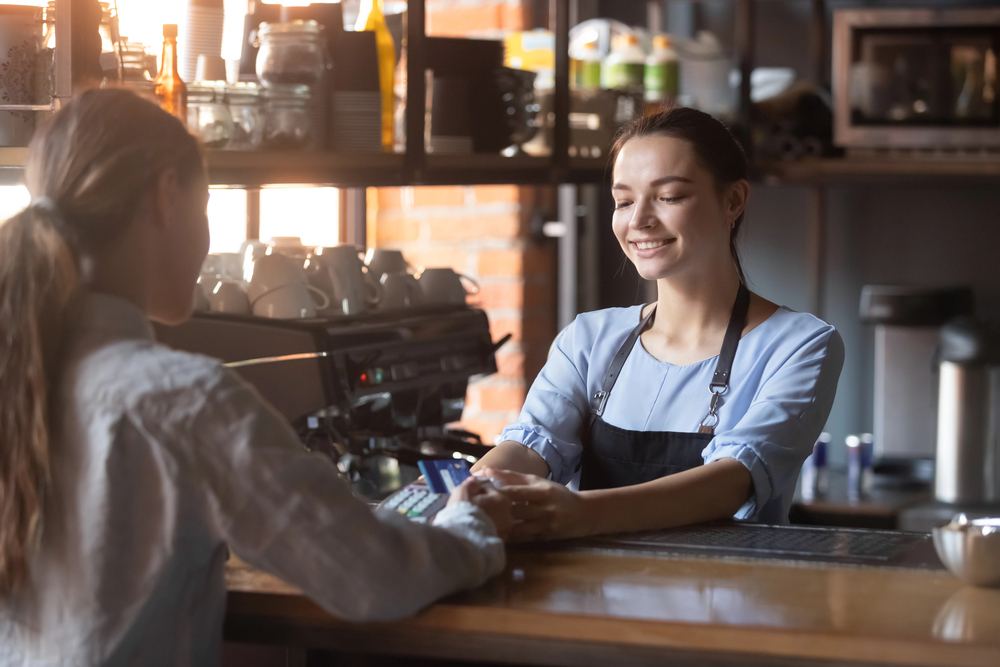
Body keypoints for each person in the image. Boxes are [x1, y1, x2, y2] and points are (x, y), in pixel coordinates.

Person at [0, 89, 512, 664]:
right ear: (166, 196)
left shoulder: (24, 373)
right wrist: (471, 526)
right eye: (205, 206)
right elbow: (373, 574)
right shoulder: (182, 399)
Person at [473, 107, 844, 541]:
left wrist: (582, 513)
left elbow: (733, 480)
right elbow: (533, 443)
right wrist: (478, 485)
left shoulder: (800, 344)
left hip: (726, 599)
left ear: (733, 200)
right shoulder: (589, 339)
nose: (638, 221)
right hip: (591, 596)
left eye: (668, 196)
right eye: (624, 201)